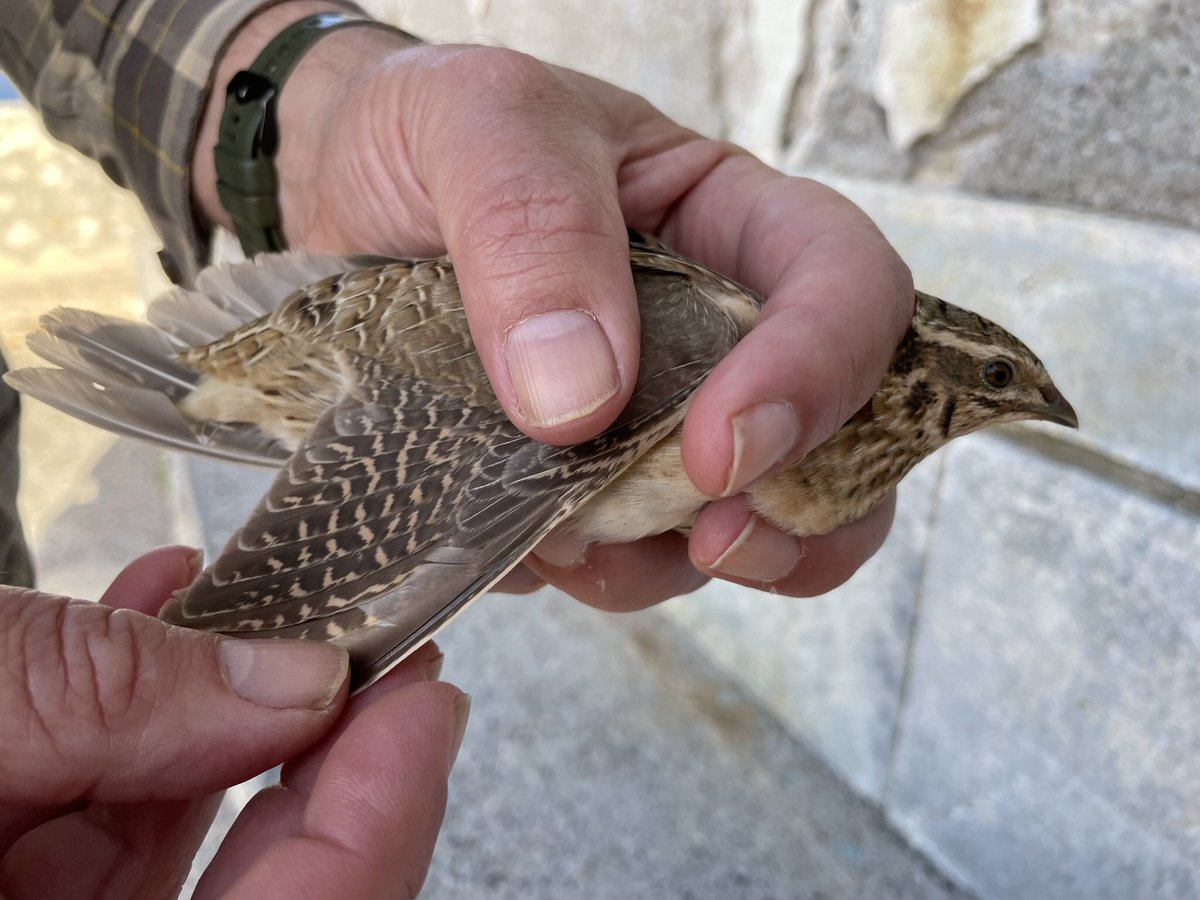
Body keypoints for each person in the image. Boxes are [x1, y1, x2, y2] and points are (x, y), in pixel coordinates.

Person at [0, 0, 914, 895]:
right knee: (503, 501)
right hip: (346, 361)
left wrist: (317, 111)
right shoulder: (709, 334)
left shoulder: (772, 370)